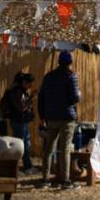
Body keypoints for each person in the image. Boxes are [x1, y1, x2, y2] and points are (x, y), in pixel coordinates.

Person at [37, 51, 81, 190]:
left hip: (50, 117)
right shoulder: (71, 76)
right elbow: (74, 98)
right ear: (70, 62)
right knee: (64, 149)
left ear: (58, 61)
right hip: (67, 117)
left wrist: (42, 115)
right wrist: (79, 95)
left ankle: (45, 179)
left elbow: (41, 97)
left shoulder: (48, 77)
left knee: (49, 149)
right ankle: (65, 180)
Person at [5, 72, 37, 174]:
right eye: (29, 83)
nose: (30, 86)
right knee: (21, 145)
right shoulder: (18, 92)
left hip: (21, 121)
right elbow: (21, 107)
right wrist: (31, 98)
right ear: (24, 82)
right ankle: (20, 167)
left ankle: (24, 166)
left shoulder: (20, 91)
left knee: (24, 144)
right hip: (19, 121)